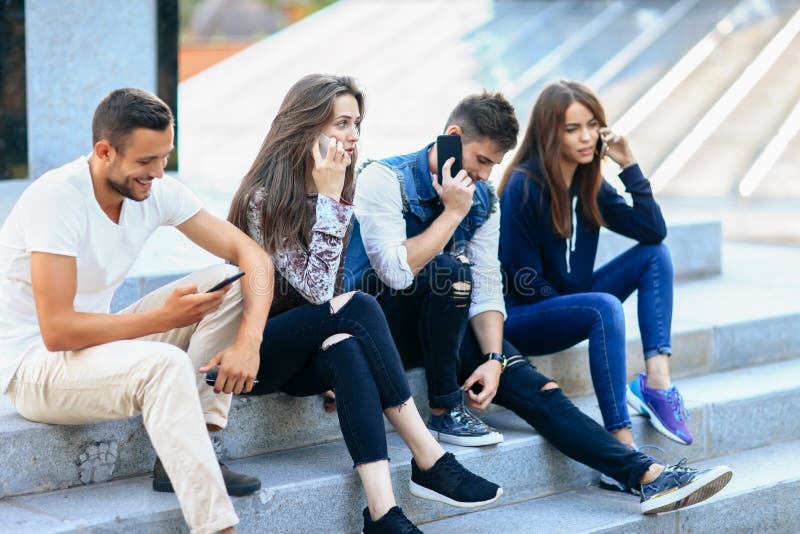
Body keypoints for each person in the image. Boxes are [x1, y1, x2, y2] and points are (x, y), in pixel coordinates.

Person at [344, 90, 732, 513]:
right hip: (382, 327)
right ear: (454, 136)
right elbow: (395, 272)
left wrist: (493, 357)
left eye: (494, 164)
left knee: (540, 389)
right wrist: (452, 213)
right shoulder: (385, 177)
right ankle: (444, 410)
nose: (486, 175)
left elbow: (488, 285)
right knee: (448, 271)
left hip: (445, 327)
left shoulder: (483, 199)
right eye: (482, 160)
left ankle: (646, 476)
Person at [227, 74, 502, 534]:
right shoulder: (262, 199)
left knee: (348, 344)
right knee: (357, 307)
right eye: (341, 123)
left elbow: (328, 292)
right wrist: (333, 200)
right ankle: (430, 459)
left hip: (310, 355)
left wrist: (332, 197)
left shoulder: (335, 187)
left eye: (357, 124)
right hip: (260, 355)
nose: (353, 136)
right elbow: (317, 291)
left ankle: (383, 515)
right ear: (304, 126)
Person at [0, 88, 272, 534]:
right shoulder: (57, 199)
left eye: (165, 157)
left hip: (102, 346)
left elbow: (252, 256)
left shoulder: (156, 188)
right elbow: (58, 332)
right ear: (104, 151)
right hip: (35, 367)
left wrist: (249, 342)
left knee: (228, 282)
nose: (158, 173)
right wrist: (164, 319)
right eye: (147, 161)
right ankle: (219, 527)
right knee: (165, 365)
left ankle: (195, 440)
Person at [497, 80, 690, 456]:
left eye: (592, 125)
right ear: (550, 133)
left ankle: (657, 384)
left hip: (572, 303)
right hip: (522, 316)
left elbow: (652, 231)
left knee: (655, 255)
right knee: (602, 306)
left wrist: (629, 165)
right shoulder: (524, 186)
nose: (586, 137)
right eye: (572, 129)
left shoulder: (590, 184)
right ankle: (621, 444)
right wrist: (578, 308)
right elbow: (523, 281)